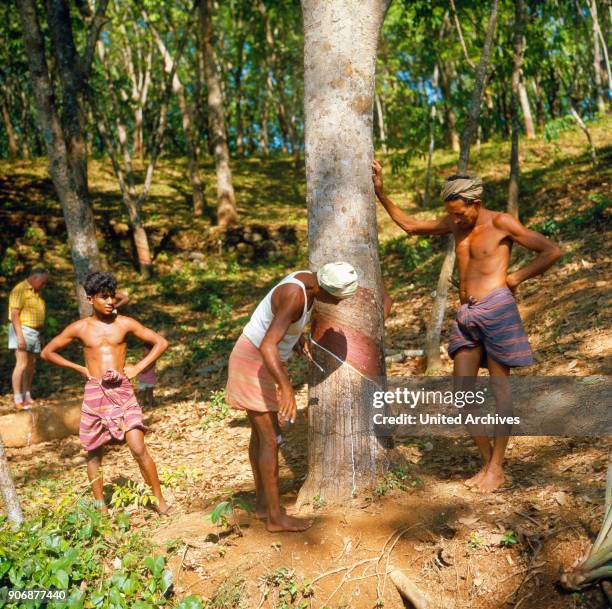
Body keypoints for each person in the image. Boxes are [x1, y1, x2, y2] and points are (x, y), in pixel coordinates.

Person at [372, 162, 563, 492]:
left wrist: (515, 278)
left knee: (501, 390)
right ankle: (491, 466)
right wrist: (381, 193)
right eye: (452, 214)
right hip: (466, 314)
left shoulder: (501, 222)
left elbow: (551, 250)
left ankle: (496, 468)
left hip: (497, 310)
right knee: (462, 395)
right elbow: (410, 226)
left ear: (476, 203)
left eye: (460, 214)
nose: (456, 220)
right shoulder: (454, 223)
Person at [226, 262, 359, 532]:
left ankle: (264, 504)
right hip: (254, 363)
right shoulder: (295, 295)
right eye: (337, 299)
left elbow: (277, 324)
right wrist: (286, 388)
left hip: (260, 360)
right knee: (271, 439)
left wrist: (295, 337)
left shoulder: (309, 284)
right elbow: (267, 345)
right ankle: (275, 517)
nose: (337, 304)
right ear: (325, 289)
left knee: (262, 436)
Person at [41, 271, 171, 514]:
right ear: (90, 299)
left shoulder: (125, 324)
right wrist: (78, 367)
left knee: (138, 446)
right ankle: (101, 508)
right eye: (104, 297)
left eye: (112, 296)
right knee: (94, 452)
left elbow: (161, 342)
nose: (110, 301)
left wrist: (139, 367)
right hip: (95, 393)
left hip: (122, 391)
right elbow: (48, 352)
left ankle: (160, 501)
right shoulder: (80, 328)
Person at [8, 268, 49, 409]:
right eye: (43, 282)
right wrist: (20, 337)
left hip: (34, 332)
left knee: (31, 366)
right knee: (21, 364)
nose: (44, 285)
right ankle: (17, 397)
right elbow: (14, 315)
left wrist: (40, 334)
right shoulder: (20, 289)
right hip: (22, 330)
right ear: (35, 278)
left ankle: (27, 394)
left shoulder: (36, 293)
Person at [137, 343, 157, 407]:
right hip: (142, 379)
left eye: (144, 350)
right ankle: (142, 404)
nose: (143, 352)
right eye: (143, 350)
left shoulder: (152, 359)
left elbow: (146, 369)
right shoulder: (142, 358)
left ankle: (151, 404)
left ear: (151, 351)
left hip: (149, 379)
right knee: (142, 392)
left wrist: (137, 369)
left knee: (150, 392)